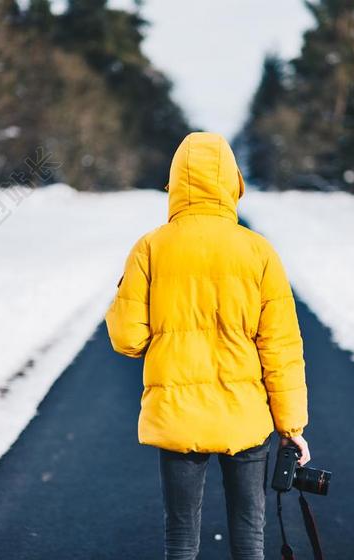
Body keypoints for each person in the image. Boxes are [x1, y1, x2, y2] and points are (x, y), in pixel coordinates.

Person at [105, 132, 309, 560]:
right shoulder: (260, 252)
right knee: (250, 536)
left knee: (180, 537)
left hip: (178, 418)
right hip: (246, 419)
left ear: (176, 181)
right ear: (233, 183)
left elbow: (127, 338)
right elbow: (282, 349)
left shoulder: (150, 248)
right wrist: (292, 428)